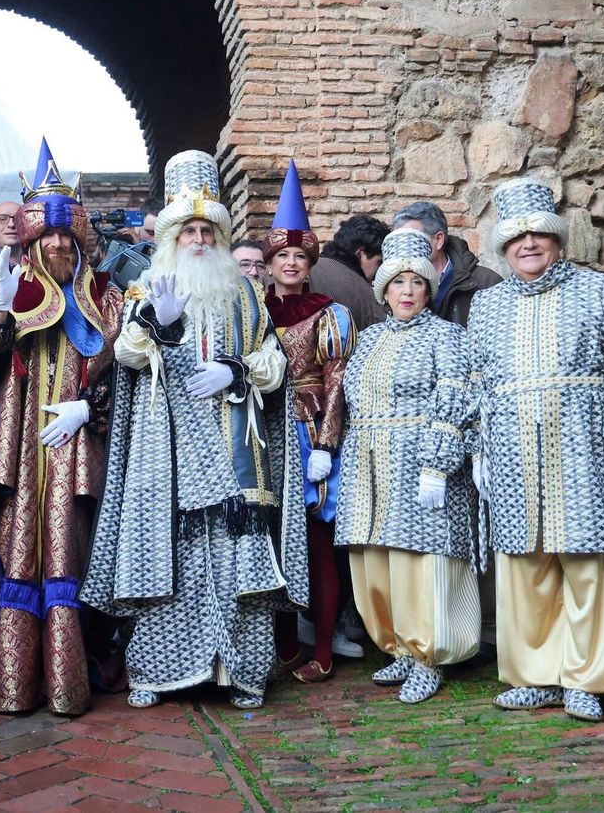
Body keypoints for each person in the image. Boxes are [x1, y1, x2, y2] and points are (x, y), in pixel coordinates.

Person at [83, 150, 304, 711]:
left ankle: (242, 671)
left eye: (209, 230)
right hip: (169, 453)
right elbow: (129, 357)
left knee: (237, 558)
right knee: (172, 557)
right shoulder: (147, 290)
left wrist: (234, 370)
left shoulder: (248, 295)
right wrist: (160, 322)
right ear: (173, 236)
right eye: (189, 230)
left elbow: (275, 365)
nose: (200, 239)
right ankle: (161, 671)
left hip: (234, 448)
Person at [469, 178, 604, 722]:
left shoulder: (603, 291)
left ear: (557, 239)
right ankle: (535, 675)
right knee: (525, 566)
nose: (527, 245)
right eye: (515, 239)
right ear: (503, 248)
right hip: (510, 452)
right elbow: (479, 380)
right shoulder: (485, 305)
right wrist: (479, 448)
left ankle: (587, 678)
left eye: (537, 235)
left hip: (583, 446)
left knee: (588, 560)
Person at [0, 142, 124, 715]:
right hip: (20, 442)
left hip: (78, 442)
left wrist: (90, 404)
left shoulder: (107, 297)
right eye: (47, 238)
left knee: (69, 549)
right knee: (17, 548)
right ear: (31, 239)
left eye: (67, 237)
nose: (57, 246)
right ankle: (12, 683)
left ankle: (67, 682)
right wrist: (1, 313)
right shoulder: (8, 289)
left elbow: (124, 368)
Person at [336, 228, 480, 705]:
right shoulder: (370, 338)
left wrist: (438, 464)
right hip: (369, 465)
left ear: (428, 290)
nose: (408, 292)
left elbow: (458, 400)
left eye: (417, 284)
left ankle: (429, 656)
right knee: (376, 562)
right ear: (384, 289)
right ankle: (396, 645)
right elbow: (351, 401)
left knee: (421, 563)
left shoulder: (447, 337)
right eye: (398, 283)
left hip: (421, 464)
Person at [261, 162, 357, 684]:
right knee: (273, 537)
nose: (292, 263)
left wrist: (325, 443)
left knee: (318, 542)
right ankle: (281, 644)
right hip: (263, 433)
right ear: (271, 262)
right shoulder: (252, 310)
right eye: (283, 256)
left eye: (300, 256)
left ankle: (322, 647)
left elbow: (337, 378)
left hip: (309, 429)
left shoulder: (330, 314)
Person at [392, 201, 500, 326]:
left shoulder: (487, 284)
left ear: (438, 240)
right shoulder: (393, 287)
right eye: (398, 241)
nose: (403, 249)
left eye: (412, 240)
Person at [309, 215, 388, 330]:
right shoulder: (363, 293)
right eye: (379, 262)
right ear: (360, 253)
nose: (381, 269)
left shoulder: (307, 265)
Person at [99, 195, 159, 291]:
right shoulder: (122, 245)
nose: (156, 239)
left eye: (161, 234)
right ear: (137, 227)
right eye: (150, 233)